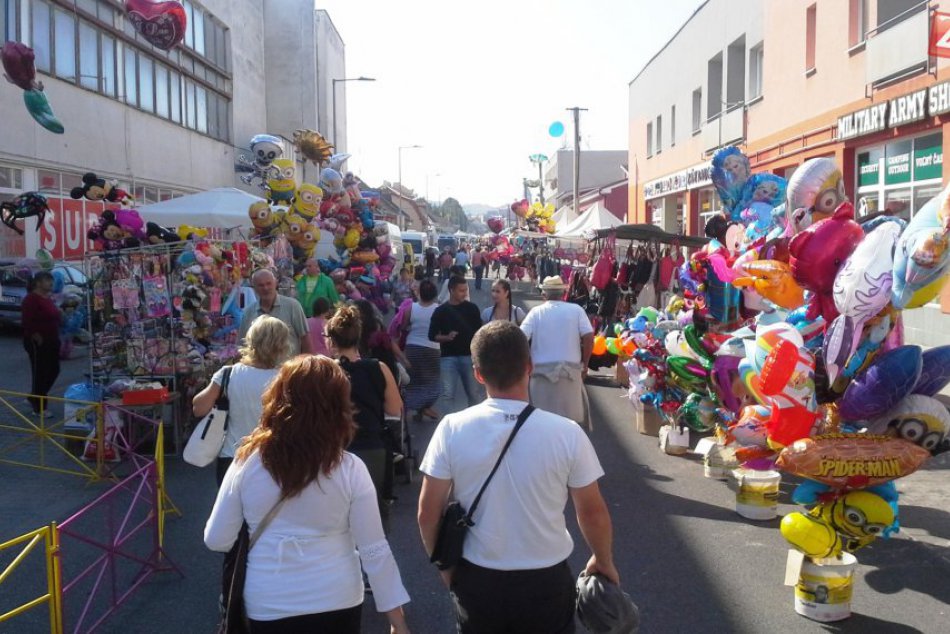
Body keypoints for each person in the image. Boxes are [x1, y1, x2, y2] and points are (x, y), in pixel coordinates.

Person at [418, 321, 618, 634]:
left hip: (478, 578)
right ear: (529, 366)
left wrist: (446, 567)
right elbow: (592, 511)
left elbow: (427, 512)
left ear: (478, 373)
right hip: (546, 579)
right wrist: (603, 560)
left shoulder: (451, 428)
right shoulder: (567, 433)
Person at [204, 356, 411, 634]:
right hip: (338, 597)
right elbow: (374, 549)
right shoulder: (350, 469)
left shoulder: (247, 464)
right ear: (339, 407)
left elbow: (216, 539)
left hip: (269, 601)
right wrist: (397, 620)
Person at [326, 306, 403, 527]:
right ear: (358, 337)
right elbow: (395, 409)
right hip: (372, 448)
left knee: (339, 518)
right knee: (373, 516)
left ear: (331, 341)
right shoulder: (378, 368)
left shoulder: (325, 372)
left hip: (336, 450)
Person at [193, 315, 289, 485]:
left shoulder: (228, 374)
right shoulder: (285, 379)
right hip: (271, 458)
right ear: (281, 346)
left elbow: (198, 408)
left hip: (232, 458)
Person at [521, 276, 595, 430]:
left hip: (541, 374)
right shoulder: (576, 310)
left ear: (544, 294)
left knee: (541, 422)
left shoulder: (536, 312)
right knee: (570, 423)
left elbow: (521, 338)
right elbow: (588, 336)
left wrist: (527, 363)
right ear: (563, 294)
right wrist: (585, 364)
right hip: (570, 372)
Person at [429, 276, 483, 410]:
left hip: (469, 357)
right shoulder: (441, 311)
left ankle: (475, 420)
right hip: (448, 357)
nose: (464, 293)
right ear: (451, 290)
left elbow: (480, 333)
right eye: (461, 290)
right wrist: (446, 337)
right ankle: (449, 422)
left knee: (473, 394)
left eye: (466, 290)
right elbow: (432, 335)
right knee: (448, 395)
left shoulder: (472, 308)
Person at [239, 269, 311, 356]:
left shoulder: (292, 306)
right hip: (259, 364)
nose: (265, 288)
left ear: (275, 283)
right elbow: (242, 345)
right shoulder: (249, 312)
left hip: (289, 364)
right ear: (254, 288)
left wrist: (306, 362)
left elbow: (305, 339)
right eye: (261, 285)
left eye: (268, 283)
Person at [21, 271, 61, 418]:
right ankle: (39, 408)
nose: (51, 283)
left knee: (54, 369)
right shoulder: (31, 299)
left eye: (51, 280)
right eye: (47, 280)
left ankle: (34, 396)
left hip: (52, 339)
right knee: (40, 372)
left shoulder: (48, 298)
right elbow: (27, 320)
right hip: (38, 341)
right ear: (38, 283)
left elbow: (54, 315)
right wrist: (35, 334)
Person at [402, 279, 442, 422]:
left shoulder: (410, 308)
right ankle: (424, 408)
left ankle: (419, 410)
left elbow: (404, 327)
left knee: (414, 381)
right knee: (431, 382)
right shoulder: (439, 309)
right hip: (432, 348)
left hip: (412, 348)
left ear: (420, 293)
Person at [354, 299, 409, 379]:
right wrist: (403, 359)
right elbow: (390, 342)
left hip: (366, 368)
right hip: (385, 363)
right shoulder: (377, 325)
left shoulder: (354, 330)